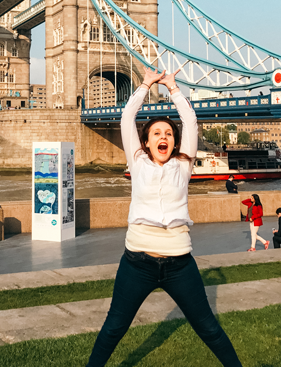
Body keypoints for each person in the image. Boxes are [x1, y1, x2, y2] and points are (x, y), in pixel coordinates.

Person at [86, 67, 242, 367]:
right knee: (114, 328)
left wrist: (172, 88)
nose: (164, 137)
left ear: (174, 142)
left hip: (179, 264)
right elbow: (126, 118)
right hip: (137, 263)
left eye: (168, 134)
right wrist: (145, 84)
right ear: (145, 142)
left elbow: (191, 122)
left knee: (208, 328)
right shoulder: (137, 160)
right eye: (157, 133)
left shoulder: (183, 165)